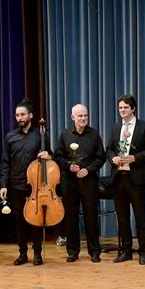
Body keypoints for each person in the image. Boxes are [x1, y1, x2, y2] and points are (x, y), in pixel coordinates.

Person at [0, 99, 52, 266]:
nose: (19, 117)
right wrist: (3, 184)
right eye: (17, 115)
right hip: (16, 185)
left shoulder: (40, 135)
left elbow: (50, 157)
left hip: (35, 186)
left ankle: (37, 253)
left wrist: (48, 156)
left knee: (35, 220)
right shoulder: (10, 137)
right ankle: (22, 253)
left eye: (22, 114)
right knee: (19, 221)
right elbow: (5, 162)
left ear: (30, 115)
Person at [106, 94, 145, 265]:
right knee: (122, 217)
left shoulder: (144, 127)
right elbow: (109, 149)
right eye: (120, 108)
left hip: (136, 178)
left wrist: (135, 158)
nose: (122, 110)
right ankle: (125, 250)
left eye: (125, 107)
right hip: (118, 177)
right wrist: (112, 158)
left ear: (133, 109)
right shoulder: (115, 127)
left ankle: (143, 252)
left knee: (140, 216)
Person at [53, 103, 106, 263]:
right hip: (69, 181)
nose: (83, 118)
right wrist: (69, 166)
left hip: (88, 180)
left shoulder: (94, 135)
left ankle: (94, 251)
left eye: (85, 115)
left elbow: (100, 157)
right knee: (71, 217)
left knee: (91, 216)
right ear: (73, 117)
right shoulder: (65, 135)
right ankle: (73, 251)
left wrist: (88, 170)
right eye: (80, 116)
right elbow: (58, 156)